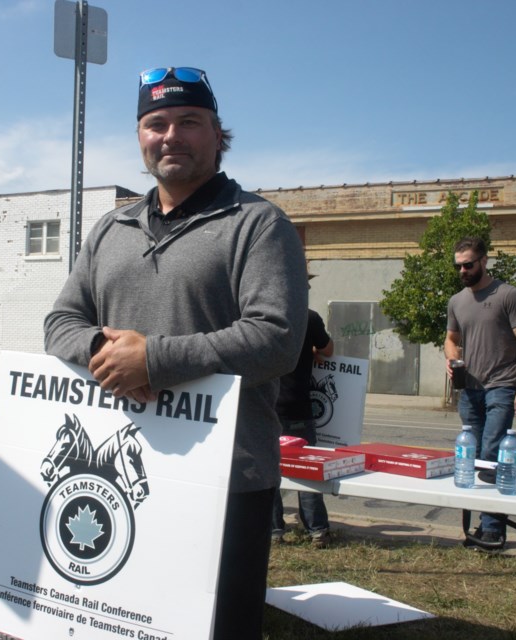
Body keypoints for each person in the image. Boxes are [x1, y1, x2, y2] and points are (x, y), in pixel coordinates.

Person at [43, 66, 308, 640]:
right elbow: (60, 321)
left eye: (189, 122)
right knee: (121, 618)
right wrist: (101, 350)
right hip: (122, 473)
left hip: (225, 476)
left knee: (216, 625)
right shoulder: (111, 229)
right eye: (155, 123)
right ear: (140, 137)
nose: (171, 136)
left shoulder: (258, 225)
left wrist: (155, 360)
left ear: (218, 134)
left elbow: (277, 340)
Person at [444, 237, 516, 550]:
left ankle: (493, 530)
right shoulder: (457, 301)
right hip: (470, 390)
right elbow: (450, 338)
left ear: (484, 261)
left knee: (492, 454)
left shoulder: (508, 295)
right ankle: (478, 529)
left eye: (468, 264)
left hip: (502, 385)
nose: (463, 270)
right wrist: (452, 356)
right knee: (470, 460)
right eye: (458, 266)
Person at [272, 306, 334, 548]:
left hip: (269, 408)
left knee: (270, 471)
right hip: (299, 408)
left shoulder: (263, 315)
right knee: (307, 471)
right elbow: (329, 350)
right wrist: (311, 350)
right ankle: (317, 531)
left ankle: (274, 531)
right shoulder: (308, 317)